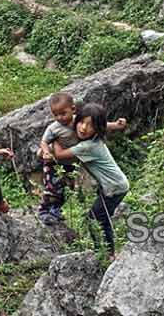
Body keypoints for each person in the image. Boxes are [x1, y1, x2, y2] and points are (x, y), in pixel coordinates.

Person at [51, 103, 129, 258]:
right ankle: (108, 252)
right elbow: (96, 124)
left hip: (114, 187)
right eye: (81, 123)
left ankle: (105, 253)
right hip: (115, 184)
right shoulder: (93, 135)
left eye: (90, 126)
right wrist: (116, 125)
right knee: (102, 218)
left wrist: (54, 138)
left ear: (97, 129)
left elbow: (59, 155)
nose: (83, 128)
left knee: (93, 219)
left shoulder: (88, 146)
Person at [38, 94, 126, 225]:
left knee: (66, 189)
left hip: (70, 163)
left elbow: (100, 125)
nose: (59, 118)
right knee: (52, 188)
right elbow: (44, 142)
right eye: (55, 115)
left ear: (73, 109)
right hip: (53, 162)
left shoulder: (77, 121)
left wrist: (116, 125)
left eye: (63, 114)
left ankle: (55, 210)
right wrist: (45, 152)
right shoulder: (53, 128)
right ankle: (44, 211)